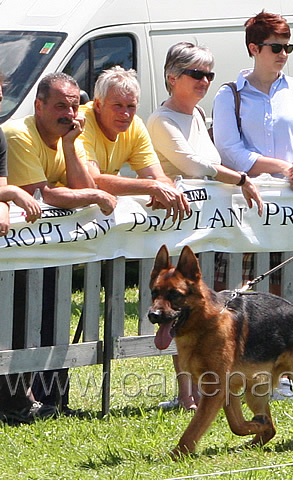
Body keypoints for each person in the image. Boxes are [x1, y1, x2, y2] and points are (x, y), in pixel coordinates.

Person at [146, 42, 264, 411]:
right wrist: (242, 178)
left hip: (211, 231)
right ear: (172, 77)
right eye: (196, 74)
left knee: (208, 313)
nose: (205, 80)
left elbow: (209, 162)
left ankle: (208, 386)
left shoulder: (198, 115)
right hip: (178, 232)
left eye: (210, 74)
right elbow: (196, 166)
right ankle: (185, 395)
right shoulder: (161, 120)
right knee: (176, 316)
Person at [1, 72, 117, 423]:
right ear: (38, 106)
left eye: (72, 105)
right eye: (58, 107)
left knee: (54, 317)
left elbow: (80, 185)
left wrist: (69, 146)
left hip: (51, 249)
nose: (68, 113)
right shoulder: (18, 135)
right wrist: (95, 195)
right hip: (21, 254)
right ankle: (16, 403)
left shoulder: (72, 135)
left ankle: (54, 401)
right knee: (18, 325)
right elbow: (45, 194)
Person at [213, 11, 293, 305]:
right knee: (230, 297)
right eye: (276, 47)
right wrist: (283, 167)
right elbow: (230, 153)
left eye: (288, 47)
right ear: (254, 48)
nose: (283, 54)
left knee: (287, 300)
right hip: (245, 208)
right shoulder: (229, 95)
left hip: (292, 207)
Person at [79, 66, 191, 222]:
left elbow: (159, 176)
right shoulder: (81, 122)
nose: (125, 114)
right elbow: (93, 181)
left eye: (131, 106)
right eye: (117, 105)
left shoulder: (135, 125)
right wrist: (152, 187)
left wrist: (165, 187)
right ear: (98, 105)